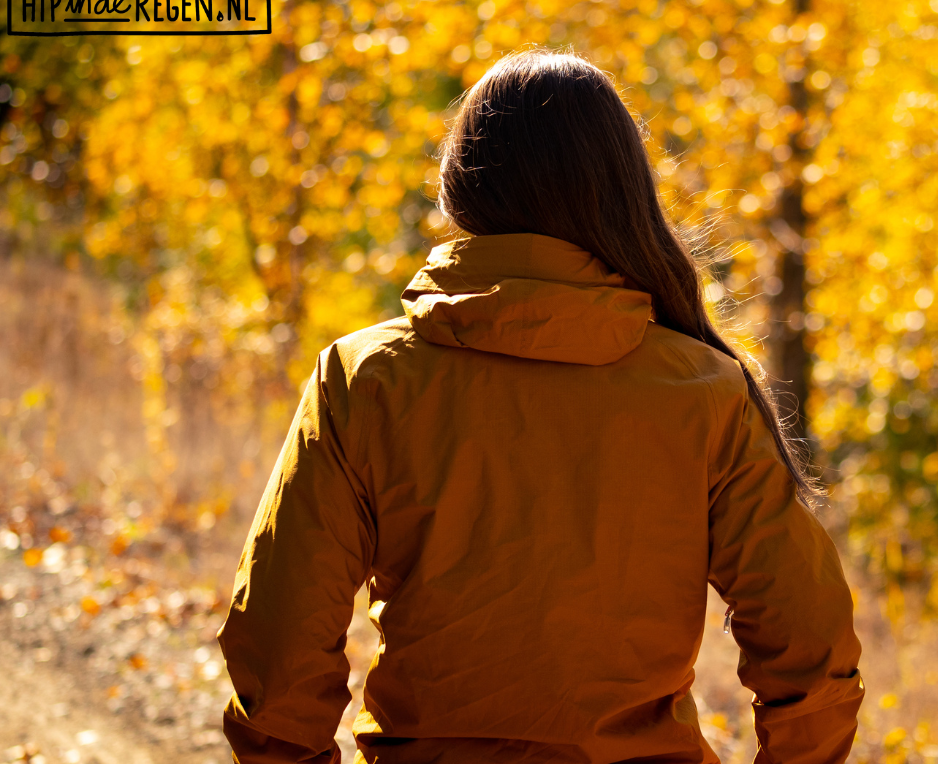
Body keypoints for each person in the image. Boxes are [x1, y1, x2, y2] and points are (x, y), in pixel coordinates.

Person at [217, 50, 864, 764]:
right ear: (618, 188)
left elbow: (278, 639)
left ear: (460, 187)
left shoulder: (366, 378)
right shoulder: (703, 390)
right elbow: (810, 639)